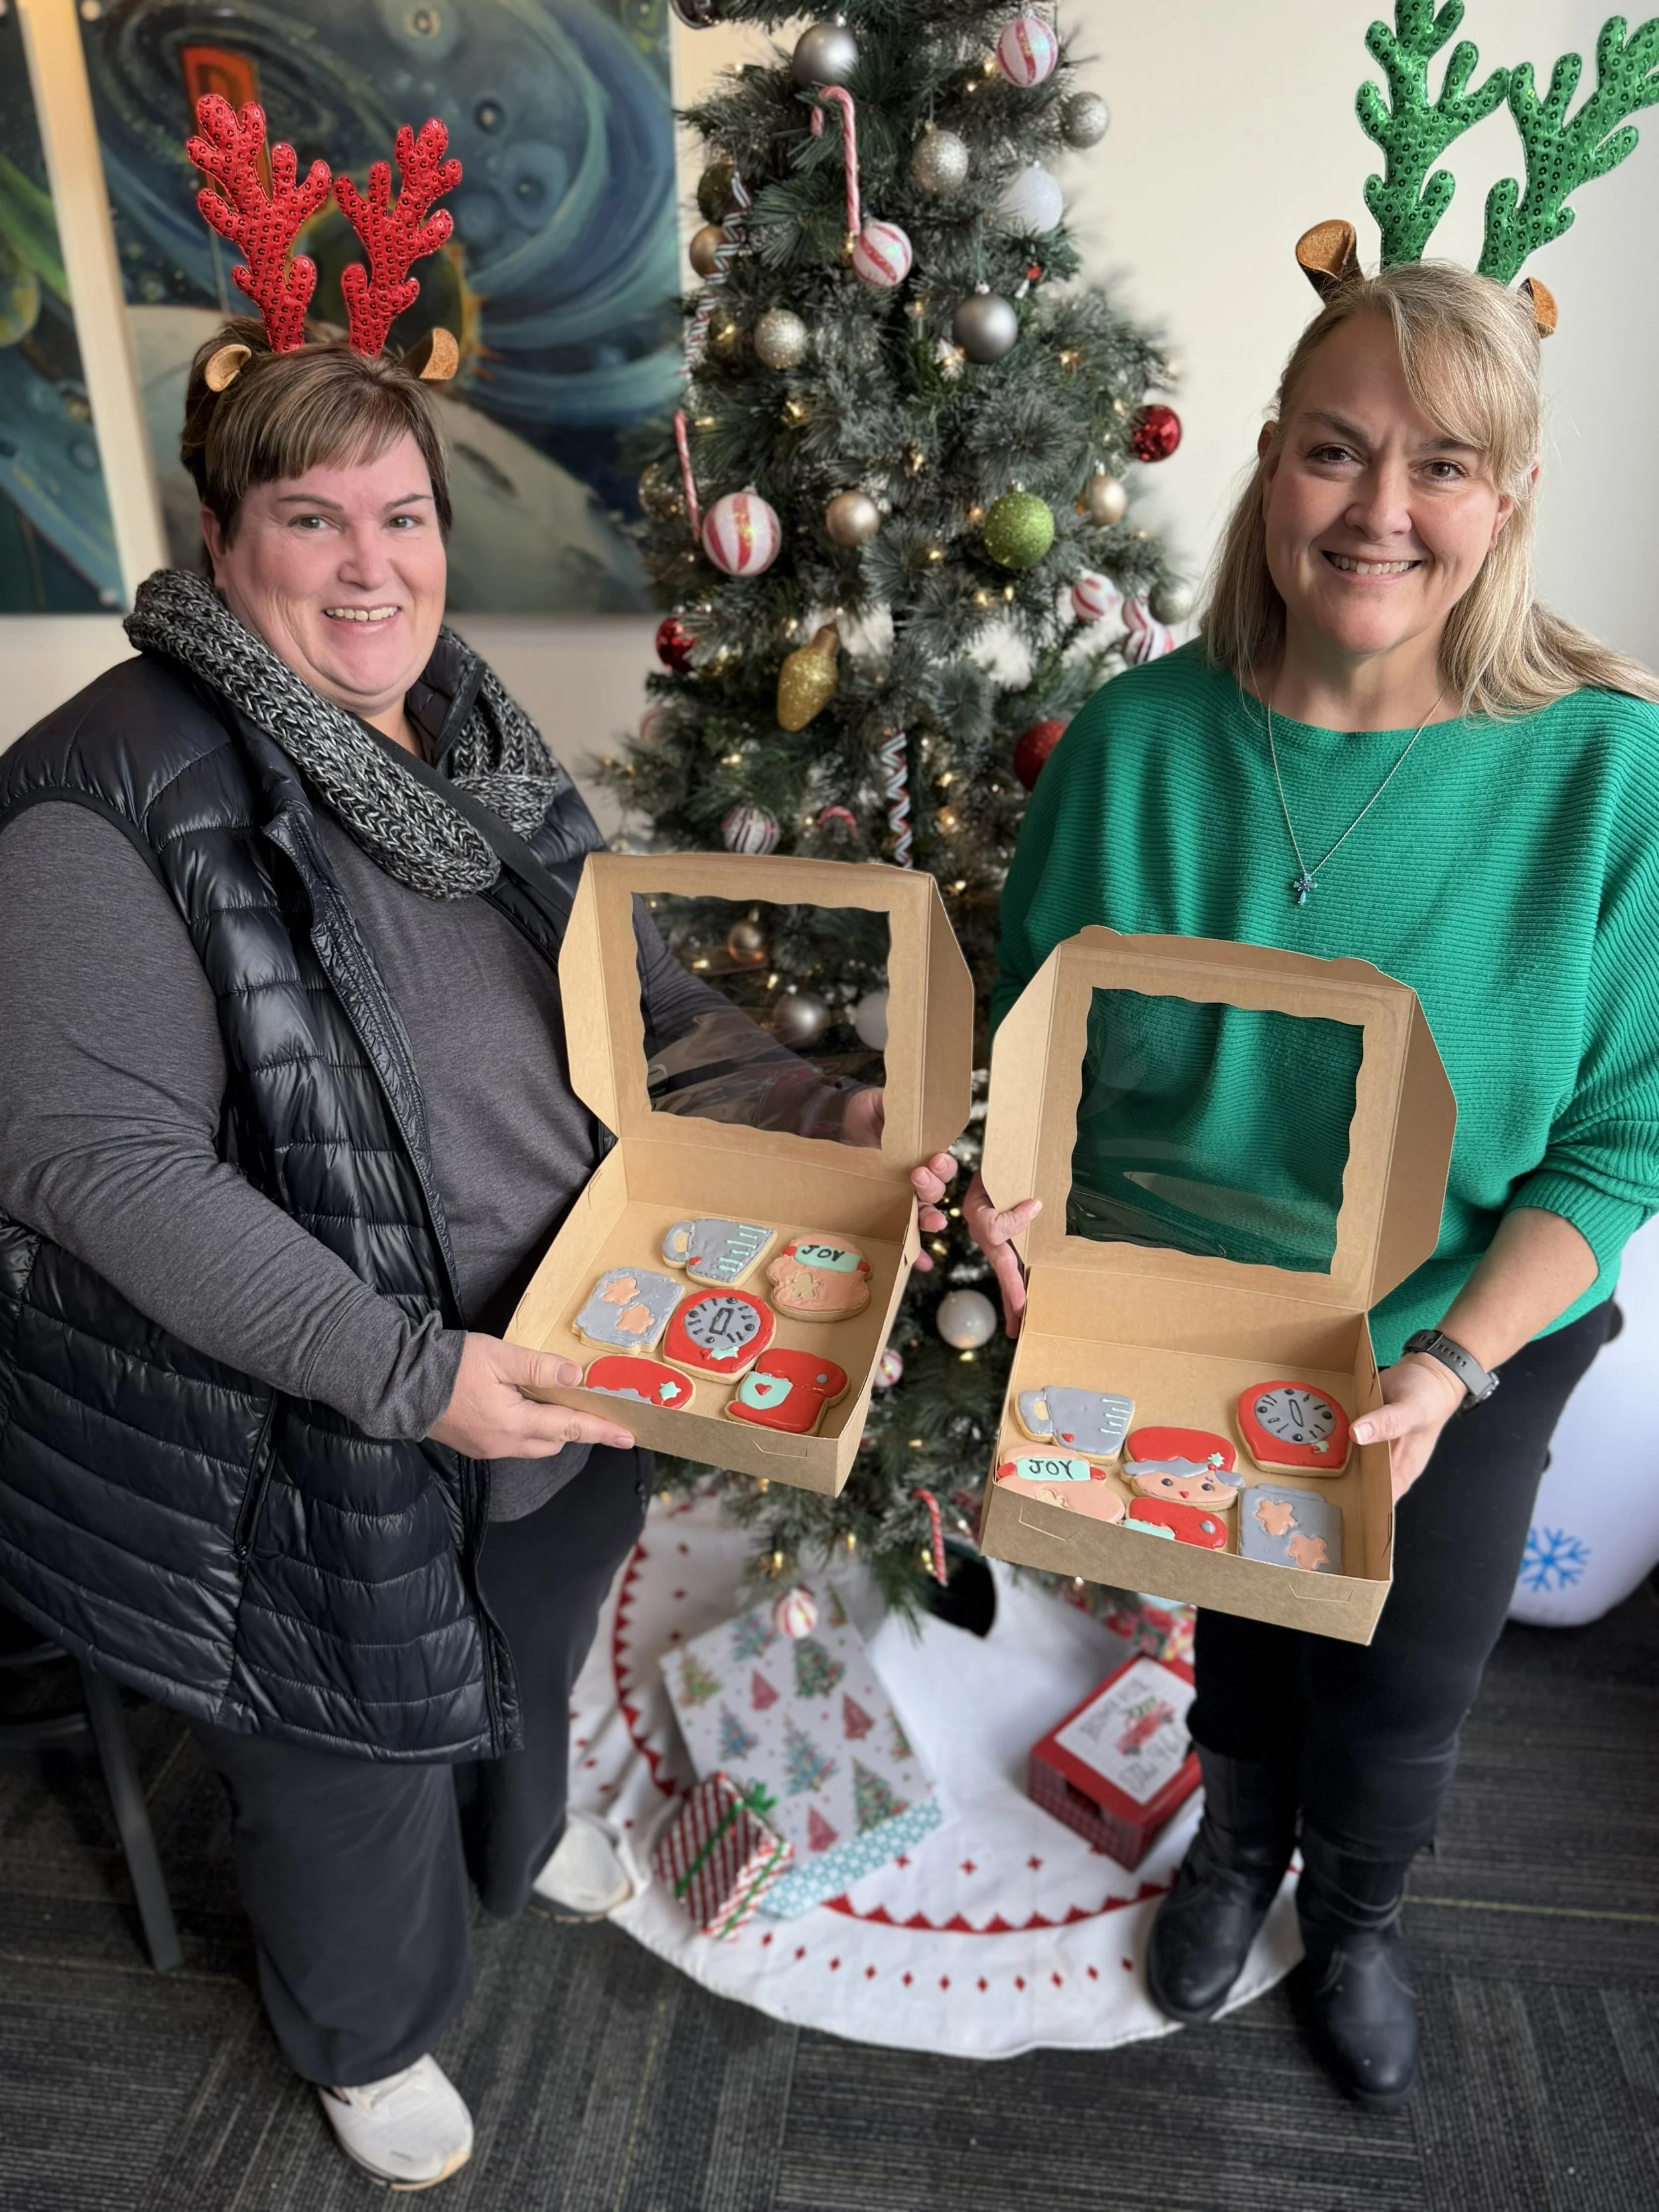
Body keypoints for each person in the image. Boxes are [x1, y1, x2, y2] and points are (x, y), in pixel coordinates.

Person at [0, 312, 879, 2187]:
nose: (373, 563)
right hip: (318, 1406)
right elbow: (98, 1168)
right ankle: (364, 2028)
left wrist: (827, 1118)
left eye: (403, 513)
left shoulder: (469, 731)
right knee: (344, 1747)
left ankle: (517, 1827)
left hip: (571, 1330)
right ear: (221, 541)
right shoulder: (105, 791)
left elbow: (635, 1008)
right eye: (313, 520)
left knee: (532, 1631)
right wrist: (412, 1374)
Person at [910, 259, 1659, 2109]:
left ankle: (1360, 1910)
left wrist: (1455, 1365)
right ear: (1268, 467)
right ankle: (1230, 1849)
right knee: (1240, 1641)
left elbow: (1621, 1129)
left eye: (1440, 465)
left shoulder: (1601, 772)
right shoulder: (1132, 744)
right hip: (1190, 1311)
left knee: (1403, 1681)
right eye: (1335, 450)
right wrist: (1002, 1186)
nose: (1380, 510)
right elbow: (1038, 1040)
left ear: (1507, 498)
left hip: (1454, 1333)